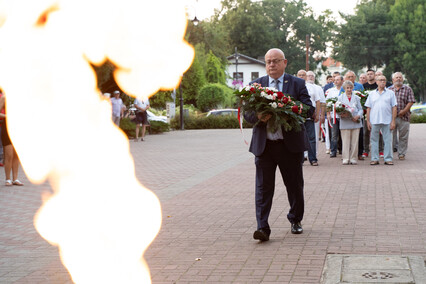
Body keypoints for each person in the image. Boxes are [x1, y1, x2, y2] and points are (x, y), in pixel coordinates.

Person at [244, 48, 314, 241]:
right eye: (268, 62)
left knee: (294, 186)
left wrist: (289, 109)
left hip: (289, 146)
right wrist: (258, 116)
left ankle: (295, 220)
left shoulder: (297, 83)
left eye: (275, 61)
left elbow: (308, 109)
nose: (271, 65)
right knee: (263, 188)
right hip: (264, 147)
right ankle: (262, 227)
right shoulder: (255, 85)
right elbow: (247, 114)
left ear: (285, 62)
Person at [365, 75, 397, 165]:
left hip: (387, 120)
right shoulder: (371, 94)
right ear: (376, 82)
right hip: (374, 120)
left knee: (387, 140)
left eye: (384, 80)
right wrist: (368, 121)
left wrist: (393, 121)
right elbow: (368, 108)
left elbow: (394, 107)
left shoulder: (391, 93)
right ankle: (375, 159)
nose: (382, 82)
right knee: (374, 140)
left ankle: (388, 159)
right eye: (380, 80)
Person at [388, 72, 415, 160]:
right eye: (396, 77)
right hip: (392, 117)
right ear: (393, 80)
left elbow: (411, 101)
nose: (398, 79)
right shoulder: (389, 90)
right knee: (391, 135)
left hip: (404, 116)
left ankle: (401, 153)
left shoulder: (408, 89)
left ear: (402, 79)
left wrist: (404, 111)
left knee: (403, 136)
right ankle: (390, 153)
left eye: (400, 77)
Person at [297, 69, 320, 166]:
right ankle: (300, 159)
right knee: (298, 138)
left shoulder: (312, 87)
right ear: (297, 76)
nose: (302, 76)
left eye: (303, 75)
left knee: (311, 138)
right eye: (300, 75)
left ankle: (313, 159)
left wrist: (317, 114)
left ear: (306, 76)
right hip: (297, 116)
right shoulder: (295, 86)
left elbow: (318, 101)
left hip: (309, 116)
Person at [0, 94, 24, 186]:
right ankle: (8, 179)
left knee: (16, 155)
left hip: (18, 127)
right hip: (7, 128)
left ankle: (15, 178)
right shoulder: (4, 97)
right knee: (9, 155)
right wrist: (7, 116)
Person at [338, 81, 363, 165]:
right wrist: (341, 114)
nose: (349, 89)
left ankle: (353, 158)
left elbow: (361, 109)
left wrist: (358, 116)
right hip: (345, 122)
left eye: (350, 88)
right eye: (347, 88)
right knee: (345, 141)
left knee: (355, 142)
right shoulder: (340, 97)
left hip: (355, 122)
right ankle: (345, 158)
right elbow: (337, 109)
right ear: (344, 88)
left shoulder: (356, 98)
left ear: (353, 88)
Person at [326, 75, 344, 158]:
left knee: (343, 134)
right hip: (334, 116)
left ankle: (342, 150)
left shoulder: (344, 90)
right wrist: (328, 114)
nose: (335, 81)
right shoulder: (331, 91)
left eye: (337, 80)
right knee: (334, 134)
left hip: (343, 116)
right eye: (335, 80)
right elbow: (327, 103)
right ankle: (333, 151)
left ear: (342, 81)